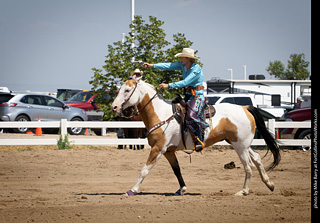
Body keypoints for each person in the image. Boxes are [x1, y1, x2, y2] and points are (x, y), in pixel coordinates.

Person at [142, 48, 209, 151]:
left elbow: (185, 82)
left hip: (197, 97)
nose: (181, 59)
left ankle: (198, 139)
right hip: (187, 96)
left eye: (182, 57)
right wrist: (152, 65)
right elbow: (169, 65)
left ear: (188, 58)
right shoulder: (183, 65)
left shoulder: (196, 69)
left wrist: (168, 85)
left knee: (191, 116)